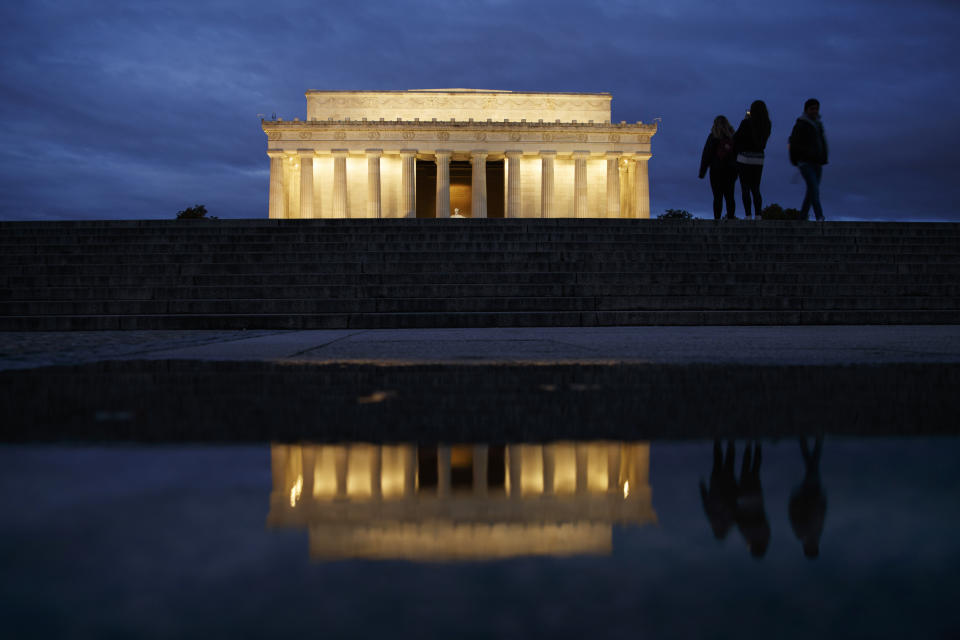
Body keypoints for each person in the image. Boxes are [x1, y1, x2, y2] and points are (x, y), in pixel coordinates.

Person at [789, 98, 829, 221]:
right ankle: (819, 215)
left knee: (812, 190)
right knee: (814, 188)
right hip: (805, 162)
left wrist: (823, 157)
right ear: (806, 110)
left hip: (817, 161)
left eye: (816, 108)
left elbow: (822, 142)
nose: (815, 111)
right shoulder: (801, 124)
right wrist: (796, 159)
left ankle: (802, 216)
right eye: (812, 108)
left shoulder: (818, 124)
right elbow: (793, 142)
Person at [734, 100, 771, 220]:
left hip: (744, 158)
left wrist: (746, 119)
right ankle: (758, 214)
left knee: (745, 187)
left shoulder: (746, 123)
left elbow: (736, 138)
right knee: (756, 188)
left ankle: (748, 215)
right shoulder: (767, 124)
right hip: (759, 159)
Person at [698, 115, 738, 220]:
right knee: (730, 196)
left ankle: (717, 219)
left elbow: (706, 154)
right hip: (731, 170)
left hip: (716, 170)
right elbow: (737, 154)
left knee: (717, 197)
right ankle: (730, 218)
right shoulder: (733, 137)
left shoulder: (712, 137)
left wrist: (702, 172)